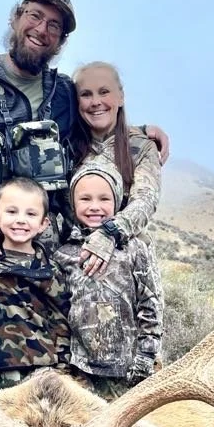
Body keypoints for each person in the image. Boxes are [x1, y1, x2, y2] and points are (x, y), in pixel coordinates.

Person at [0, 0, 169, 374]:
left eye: (55, 25)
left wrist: (140, 132)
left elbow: (98, 121)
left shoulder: (62, 93)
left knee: (37, 356)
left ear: (61, 41)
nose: (42, 29)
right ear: (16, 18)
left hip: (42, 237)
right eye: (35, 16)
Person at [53, 157, 163, 399]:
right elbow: (59, 314)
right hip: (81, 373)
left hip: (130, 372)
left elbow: (151, 305)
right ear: (72, 203)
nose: (95, 206)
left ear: (117, 201)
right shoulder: (64, 253)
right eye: (85, 199)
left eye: (104, 199)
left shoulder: (135, 248)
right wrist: (63, 362)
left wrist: (146, 357)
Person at [0, 178, 70, 393]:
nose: (21, 220)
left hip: (43, 368)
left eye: (31, 214)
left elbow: (61, 320)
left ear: (44, 224)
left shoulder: (52, 269)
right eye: (12, 212)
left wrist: (63, 365)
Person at [67, 61, 163, 279]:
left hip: (125, 258)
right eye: (86, 94)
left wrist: (110, 233)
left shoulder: (142, 147)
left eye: (104, 92)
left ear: (121, 97)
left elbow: (146, 200)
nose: (96, 102)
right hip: (73, 259)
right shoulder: (66, 147)